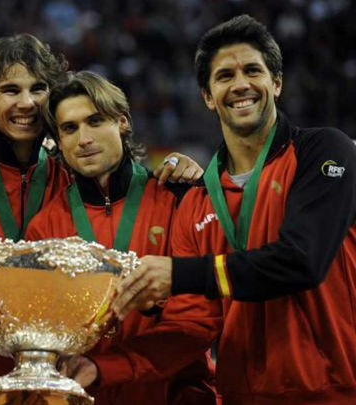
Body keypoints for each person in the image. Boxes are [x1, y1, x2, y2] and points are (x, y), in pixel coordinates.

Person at [0, 31, 204, 404]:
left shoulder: (67, 176)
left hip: (56, 371)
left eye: (38, 89)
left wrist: (178, 167)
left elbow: (118, 179)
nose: (26, 103)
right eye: (11, 90)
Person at [112, 14, 356, 404]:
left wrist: (179, 274)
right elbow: (195, 322)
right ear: (208, 97)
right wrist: (104, 365)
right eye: (225, 76)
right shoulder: (196, 201)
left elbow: (303, 260)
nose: (240, 84)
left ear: (276, 83)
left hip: (336, 394)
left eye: (252, 71)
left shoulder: (324, 152)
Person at [24, 70, 219, 405]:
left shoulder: (177, 200)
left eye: (95, 121)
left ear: (123, 122)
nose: (83, 139)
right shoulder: (45, 228)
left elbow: (197, 322)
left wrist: (107, 367)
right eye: (69, 128)